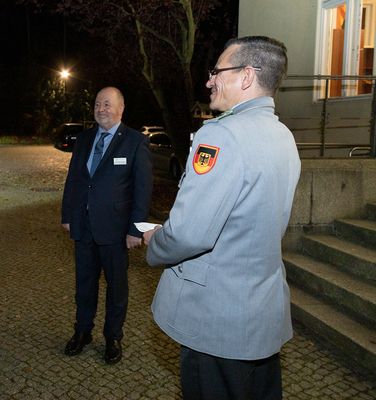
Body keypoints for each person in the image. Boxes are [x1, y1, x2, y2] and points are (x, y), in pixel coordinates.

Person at [143, 36, 300, 399]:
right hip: (259, 317)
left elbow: (189, 234)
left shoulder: (222, 136)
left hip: (216, 321)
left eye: (217, 71)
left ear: (247, 76)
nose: (209, 80)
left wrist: (156, 243)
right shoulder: (282, 135)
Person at [61, 86, 152, 364]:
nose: (101, 109)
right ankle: (82, 331)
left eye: (108, 104)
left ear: (121, 109)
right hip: (84, 227)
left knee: (117, 288)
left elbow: (142, 189)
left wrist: (136, 229)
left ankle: (113, 337)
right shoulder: (85, 139)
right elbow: (74, 180)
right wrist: (67, 215)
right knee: (84, 285)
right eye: (98, 104)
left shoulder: (135, 141)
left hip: (115, 231)